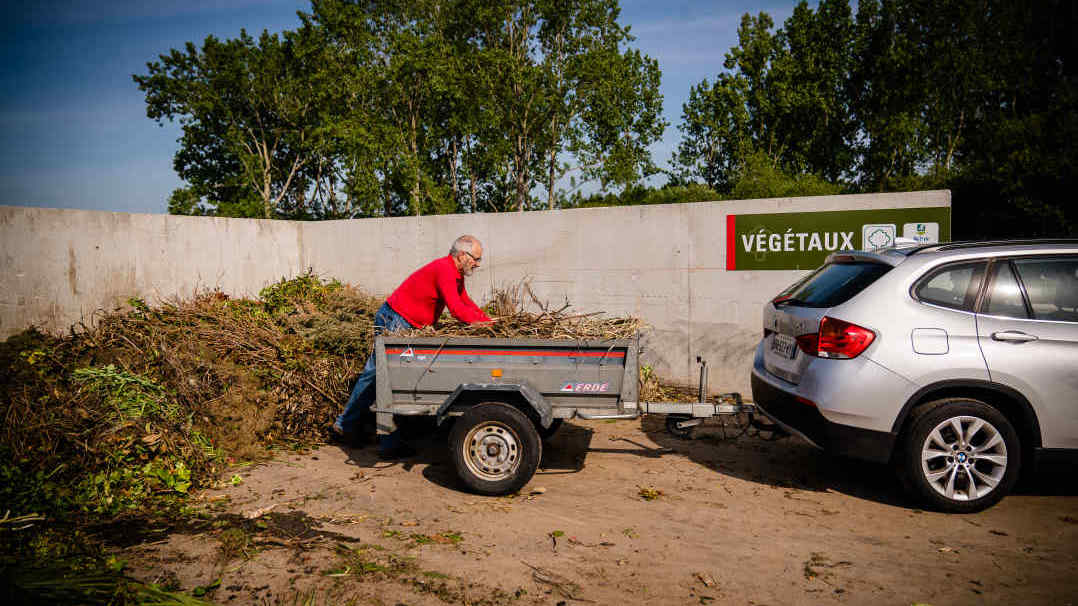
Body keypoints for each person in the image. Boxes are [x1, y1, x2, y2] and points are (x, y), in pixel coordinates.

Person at [330, 235, 492, 457]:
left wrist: (489, 322)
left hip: (408, 324)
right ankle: (353, 429)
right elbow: (456, 309)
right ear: (462, 255)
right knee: (385, 379)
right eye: (476, 258)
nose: (477, 264)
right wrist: (485, 325)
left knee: (384, 379)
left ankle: (364, 432)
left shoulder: (455, 274)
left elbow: (465, 301)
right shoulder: (445, 269)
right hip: (396, 320)